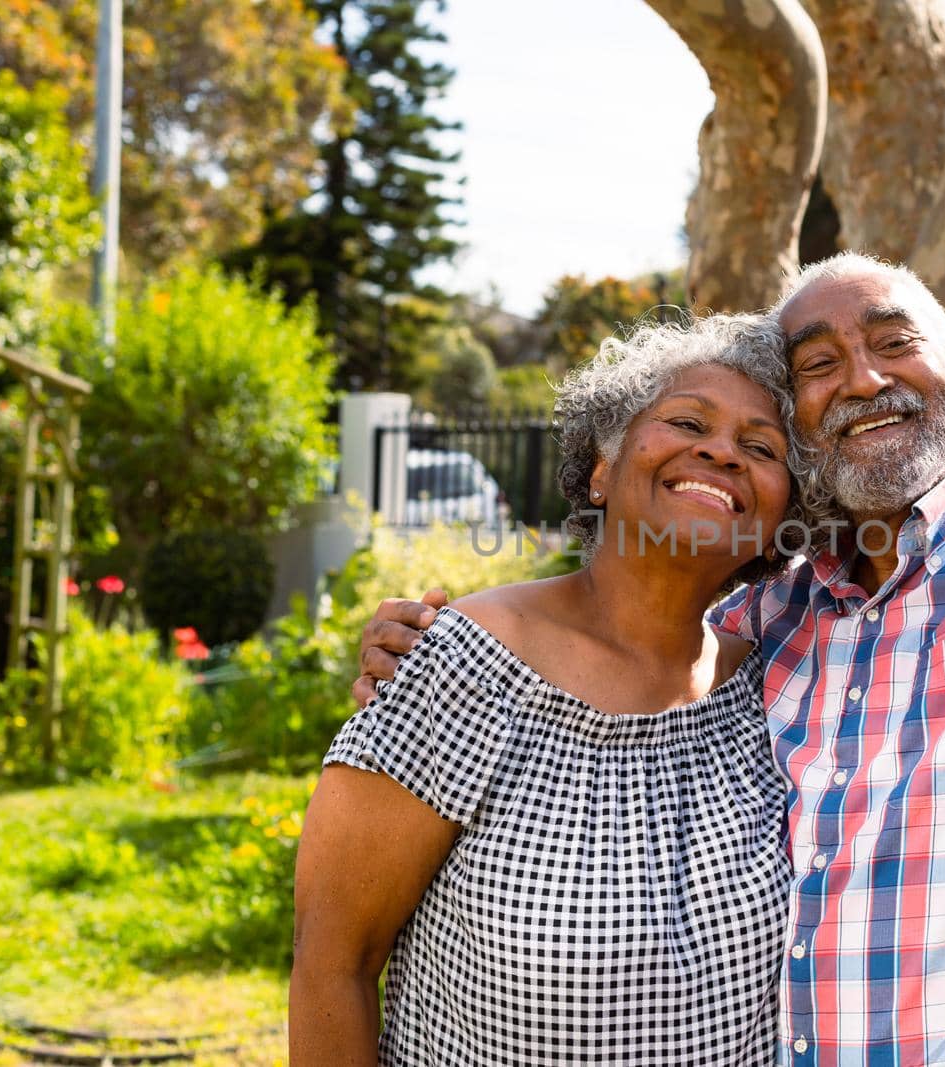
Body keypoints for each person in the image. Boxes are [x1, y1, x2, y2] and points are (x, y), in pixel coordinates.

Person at [356, 242, 945, 1064]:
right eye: (817, 364)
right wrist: (425, 651)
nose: (861, 378)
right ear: (799, 427)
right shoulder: (763, 621)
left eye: (893, 343)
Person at [291, 313, 825, 1065]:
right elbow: (332, 963)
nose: (720, 452)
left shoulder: (777, 689)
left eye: (761, 447)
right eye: (685, 420)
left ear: (778, 526)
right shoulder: (460, 666)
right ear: (601, 469)